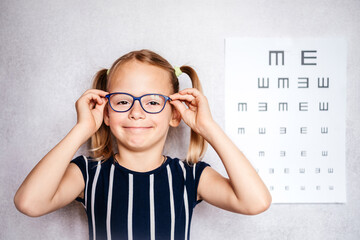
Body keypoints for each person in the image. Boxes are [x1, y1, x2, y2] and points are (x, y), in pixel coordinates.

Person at [14, 49, 271, 240]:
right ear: (106, 113)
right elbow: (29, 203)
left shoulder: (190, 176)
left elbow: (255, 201)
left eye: (152, 102)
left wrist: (208, 128)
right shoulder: (89, 173)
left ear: (174, 114)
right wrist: (82, 129)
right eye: (123, 101)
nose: (136, 113)